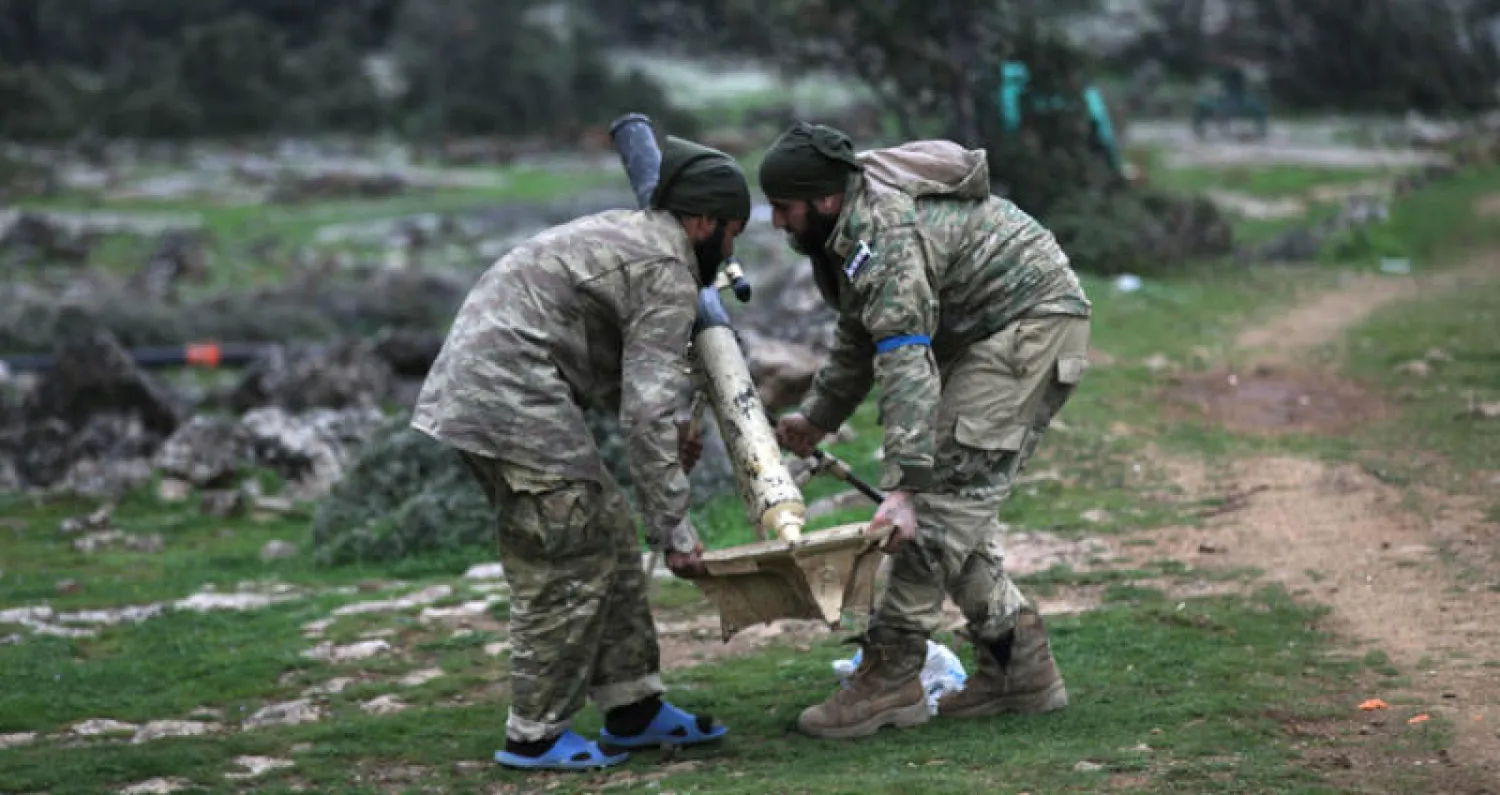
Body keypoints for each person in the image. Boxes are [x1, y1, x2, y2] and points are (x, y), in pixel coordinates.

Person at [411, 136, 750, 770]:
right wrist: (675, 527)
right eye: (732, 233)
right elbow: (644, 414)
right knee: (567, 554)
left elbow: (621, 365)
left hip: (492, 388)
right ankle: (534, 736)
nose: (731, 252)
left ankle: (634, 707)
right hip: (509, 394)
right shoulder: (668, 269)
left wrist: (668, 447)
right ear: (703, 222)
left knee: (611, 534)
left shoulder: (635, 237)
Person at [759, 122, 1092, 739]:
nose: (777, 222)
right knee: (955, 507)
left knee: (935, 506)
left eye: (784, 208)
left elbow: (905, 355)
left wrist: (906, 487)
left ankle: (891, 679)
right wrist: (818, 417)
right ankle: (1017, 668)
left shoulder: (884, 231)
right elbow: (861, 336)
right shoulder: (850, 227)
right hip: (994, 334)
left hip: (1028, 329)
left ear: (824, 200)